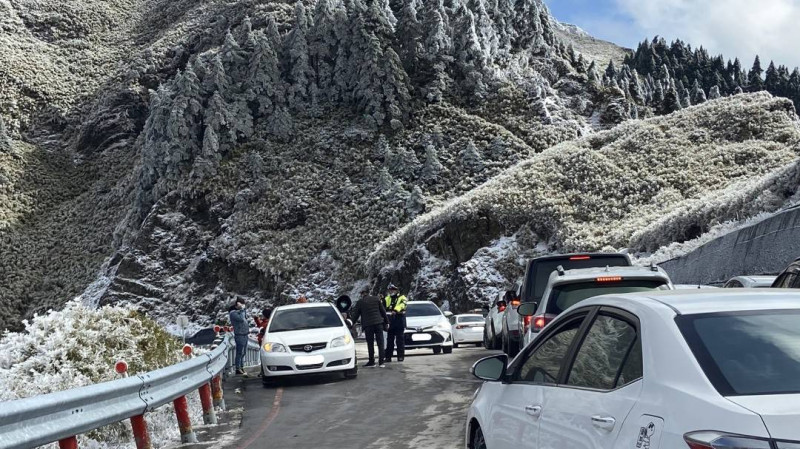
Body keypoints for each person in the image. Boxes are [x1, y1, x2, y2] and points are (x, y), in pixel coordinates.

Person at [349, 294, 389, 367]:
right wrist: (387, 322)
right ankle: (381, 362)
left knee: (370, 343)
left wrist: (350, 324)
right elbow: (383, 311)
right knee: (380, 342)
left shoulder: (360, 302)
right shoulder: (376, 299)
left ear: (363, 295)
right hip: (378, 323)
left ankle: (371, 361)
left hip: (368, 325)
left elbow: (356, 315)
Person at [384, 284, 407, 363]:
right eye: (390, 290)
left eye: (393, 290)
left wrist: (396, 310)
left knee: (399, 340)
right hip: (390, 321)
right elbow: (383, 306)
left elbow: (402, 305)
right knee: (389, 340)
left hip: (399, 320)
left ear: (397, 290)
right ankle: (388, 356)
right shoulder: (387, 298)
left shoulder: (402, 297)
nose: (391, 291)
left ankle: (400, 356)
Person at [228, 297, 250, 376]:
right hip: (239, 335)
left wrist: (243, 310)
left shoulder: (240, 312)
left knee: (243, 352)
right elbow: (241, 319)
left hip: (245, 334)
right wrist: (242, 310)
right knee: (239, 352)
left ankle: (241, 367)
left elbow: (244, 318)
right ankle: (238, 368)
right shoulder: (233, 313)